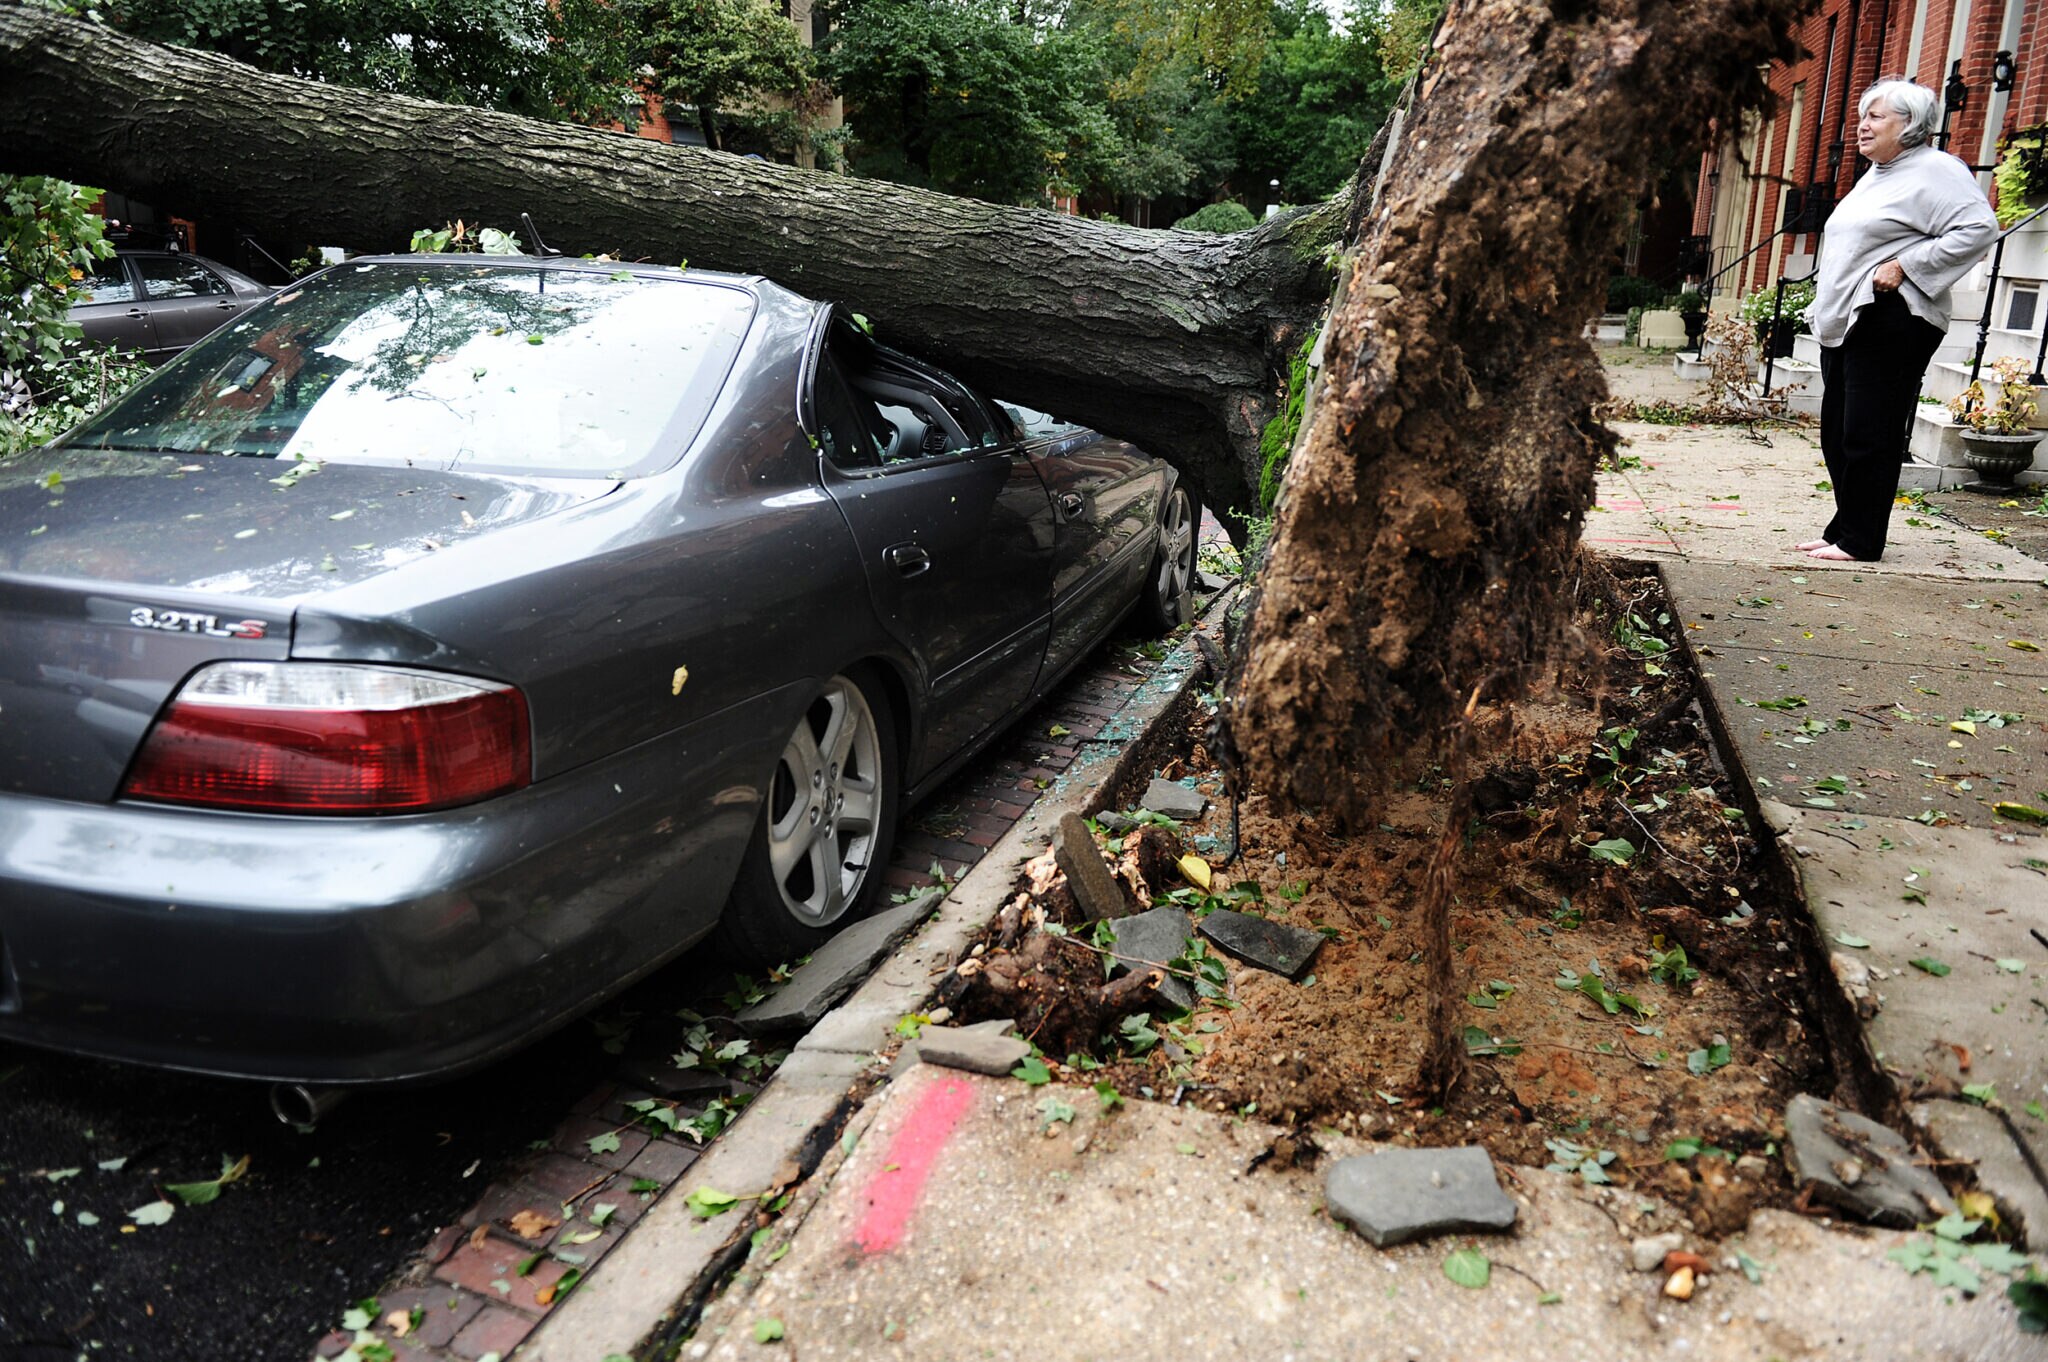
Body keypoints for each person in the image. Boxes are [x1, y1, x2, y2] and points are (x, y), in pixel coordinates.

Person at [1796, 79, 1998, 562]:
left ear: (1909, 126)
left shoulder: (1936, 170)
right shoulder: (1878, 174)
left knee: (1870, 431)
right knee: (1839, 431)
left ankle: (1861, 541)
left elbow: (1979, 228)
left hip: (1892, 316)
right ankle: (1844, 529)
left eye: (1876, 117)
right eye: (1863, 116)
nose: (1862, 126)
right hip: (1850, 318)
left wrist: (1906, 265)